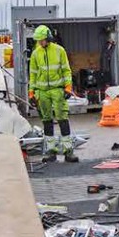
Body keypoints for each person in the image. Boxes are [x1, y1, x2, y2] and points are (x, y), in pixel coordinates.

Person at [27, 24, 76, 162]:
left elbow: (66, 70)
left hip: (58, 90)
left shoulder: (59, 51)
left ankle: (68, 151)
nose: (40, 43)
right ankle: (51, 151)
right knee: (47, 121)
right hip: (42, 92)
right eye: (38, 40)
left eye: (42, 40)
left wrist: (68, 88)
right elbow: (33, 74)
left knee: (62, 118)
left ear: (48, 38)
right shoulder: (36, 53)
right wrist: (31, 93)